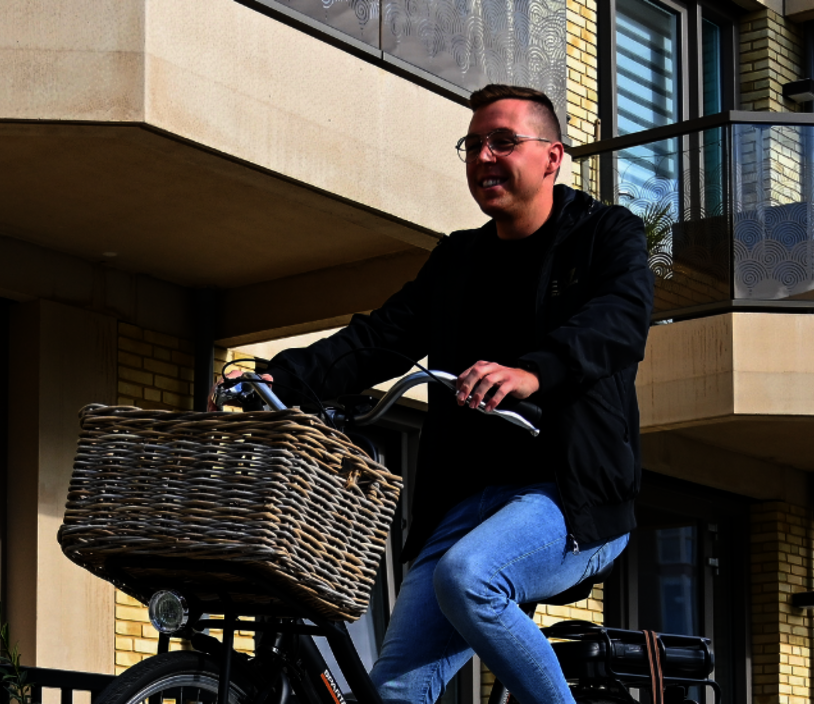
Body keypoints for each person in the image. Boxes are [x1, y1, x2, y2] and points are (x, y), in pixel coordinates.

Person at [238, 84, 655, 704]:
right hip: (463, 501)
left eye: (504, 142)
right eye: (474, 145)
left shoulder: (602, 236)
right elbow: (380, 337)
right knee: (396, 691)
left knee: (469, 577)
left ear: (552, 156)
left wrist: (533, 371)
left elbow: (620, 318)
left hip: (570, 496)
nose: (485, 156)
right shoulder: (458, 260)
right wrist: (283, 376)